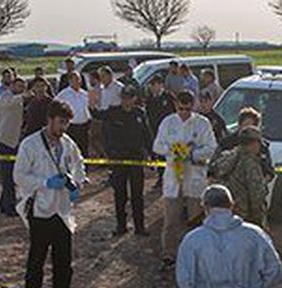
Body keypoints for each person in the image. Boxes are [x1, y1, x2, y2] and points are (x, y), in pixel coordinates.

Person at [14, 100, 87, 288]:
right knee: (37, 259)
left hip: (62, 210)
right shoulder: (30, 144)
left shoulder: (67, 143)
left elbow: (79, 162)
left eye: (67, 124)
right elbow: (18, 176)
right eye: (61, 122)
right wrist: (45, 183)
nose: (64, 128)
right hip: (40, 209)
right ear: (49, 120)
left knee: (64, 260)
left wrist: (77, 183)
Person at [153, 91, 218, 266]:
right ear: (176, 105)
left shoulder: (202, 123)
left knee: (196, 219)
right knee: (171, 219)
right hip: (173, 178)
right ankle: (169, 253)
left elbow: (212, 147)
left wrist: (192, 153)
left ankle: (196, 254)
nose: (184, 112)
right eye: (181, 108)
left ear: (193, 105)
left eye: (188, 109)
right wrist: (173, 150)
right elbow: (157, 146)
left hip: (194, 177)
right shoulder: (168, 122)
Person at [93, 86, 152, 235]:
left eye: (130, 98)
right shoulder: (114, 112)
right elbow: (97, 115)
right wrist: (91, 102)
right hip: (118, 159)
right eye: (124, 98)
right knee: (120, 195)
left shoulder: (140, 113)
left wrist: (152, 154)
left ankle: (140, 227)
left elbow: (147, 135)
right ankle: (121, 226)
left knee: (137, 195)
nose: (127, 101)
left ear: (134, 99)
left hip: (136, 159)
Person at [210, 126, 269, 227]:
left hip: (226, 213)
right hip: (245, 215)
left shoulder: (228, 157)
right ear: (254, 144)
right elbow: (256, 193)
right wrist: (259, 219)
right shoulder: (250, 162)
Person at [0, 77, 31, 216]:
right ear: (13, 86)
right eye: (19, 86)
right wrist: (23, 96)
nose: (21, 89)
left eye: (23, 87)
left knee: (8, 176)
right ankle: (9, 207)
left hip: (12, 142)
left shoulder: (18, 100)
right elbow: (8, 104)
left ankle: (4, 205)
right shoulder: (6, 96)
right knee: (8, 177)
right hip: (3, 141)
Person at [211, 107, 275, 181]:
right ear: (239, 125)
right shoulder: (226, 143)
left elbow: (269, 171)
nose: (248, 129)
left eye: (253, 126)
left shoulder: (262, 146)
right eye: (246, 125)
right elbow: (213, 167)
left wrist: (262, 181)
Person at [55, 72, 92, 155]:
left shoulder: (85, 94)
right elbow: (55, 107)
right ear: (70, 81)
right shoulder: (63, 94)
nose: (77, 81)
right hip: (70, 126)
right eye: (75, 79)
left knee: (83, 148)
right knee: (70, 148)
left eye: (79, 79)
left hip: (84, 126)